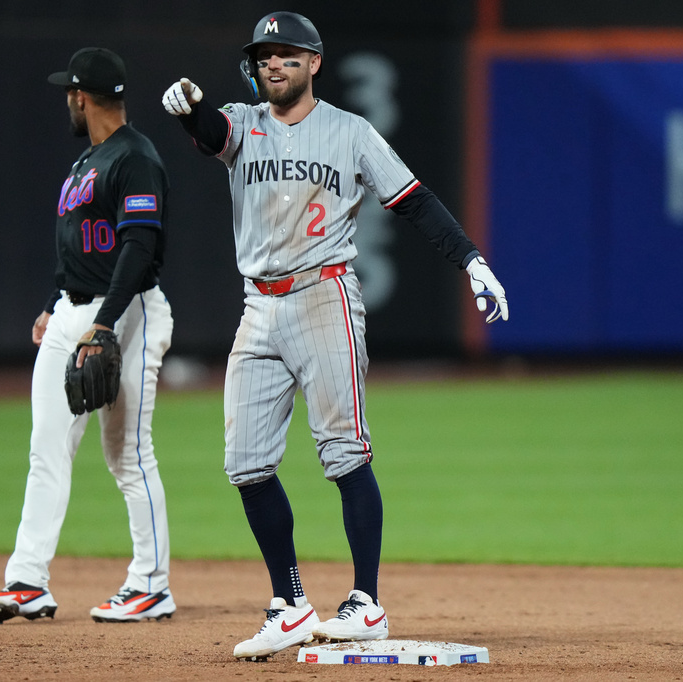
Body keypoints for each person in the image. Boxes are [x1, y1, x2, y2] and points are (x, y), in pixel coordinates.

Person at [161, 11, 508, 659]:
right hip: (258, 307)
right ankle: (289, 603)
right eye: (264, 54)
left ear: (314, 63)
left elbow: (413, 199)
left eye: (287, 54)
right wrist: (190, 111)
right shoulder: (241, 121)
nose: (274, 63)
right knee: (246, 464)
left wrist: (471, 260)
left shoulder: (350, 132)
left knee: (344, 451)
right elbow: (210, 133)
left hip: (324, 297)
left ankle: (366, 602)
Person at [0, 47, 176, 624]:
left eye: (69, 91)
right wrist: (52, 305)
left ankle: (151, 583)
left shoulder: (135, 158)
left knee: (127, 454)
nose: (66, 98)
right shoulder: (84, 164)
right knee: (47, 450)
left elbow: (139, 246)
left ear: (82, 97)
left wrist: (105, 322)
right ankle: (27, 581)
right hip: (73, 313)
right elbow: (77, 248)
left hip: (128, 312)